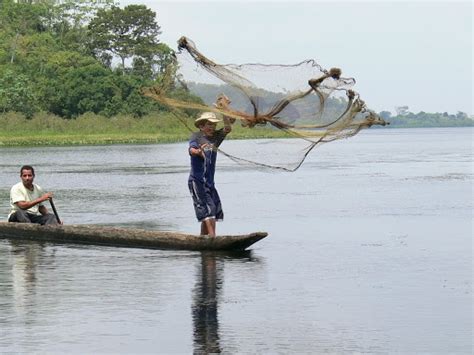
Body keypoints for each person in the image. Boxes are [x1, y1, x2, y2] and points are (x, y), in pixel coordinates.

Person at [188, 106, 232, 237]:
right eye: (209, 124)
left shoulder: (215, 139)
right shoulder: (196, 137)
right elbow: (192, 150)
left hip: (209, 182)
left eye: (213, 124)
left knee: (214, 207)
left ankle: (204, 239)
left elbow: (228, 128)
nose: (211, 127)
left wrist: (224, 110)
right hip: (197, 181)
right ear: (201, 126)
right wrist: (198, 152)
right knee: (208, 210)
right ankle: (213, 239)